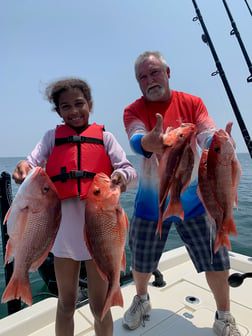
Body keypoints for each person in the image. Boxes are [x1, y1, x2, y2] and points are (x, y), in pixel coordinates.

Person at [122, 51, 241, 336]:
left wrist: (218, 142)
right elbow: (138, 139)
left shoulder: (192, 102)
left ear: (168, 72)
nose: (149, 80)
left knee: (216, 258)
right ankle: (141, 299)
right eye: (142, 76)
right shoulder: (133, 110)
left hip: (197, 203)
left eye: (154, 72)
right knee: (140, 260)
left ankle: (224, 316)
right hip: (152, 205)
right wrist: (151, 141)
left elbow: (205, 132)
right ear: (138, 82)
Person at [12, 77, 138, 336]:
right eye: (65, 106)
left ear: (90, 104)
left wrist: (122, 178)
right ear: (58, 111)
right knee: (66, 304)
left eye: (79, 103)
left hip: (100, 234)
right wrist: (23, 166)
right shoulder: (51, 138)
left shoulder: (106, 137)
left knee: (99, 305)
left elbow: (128, 170)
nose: (73, 111)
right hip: (63, 238)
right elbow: (32, 162)